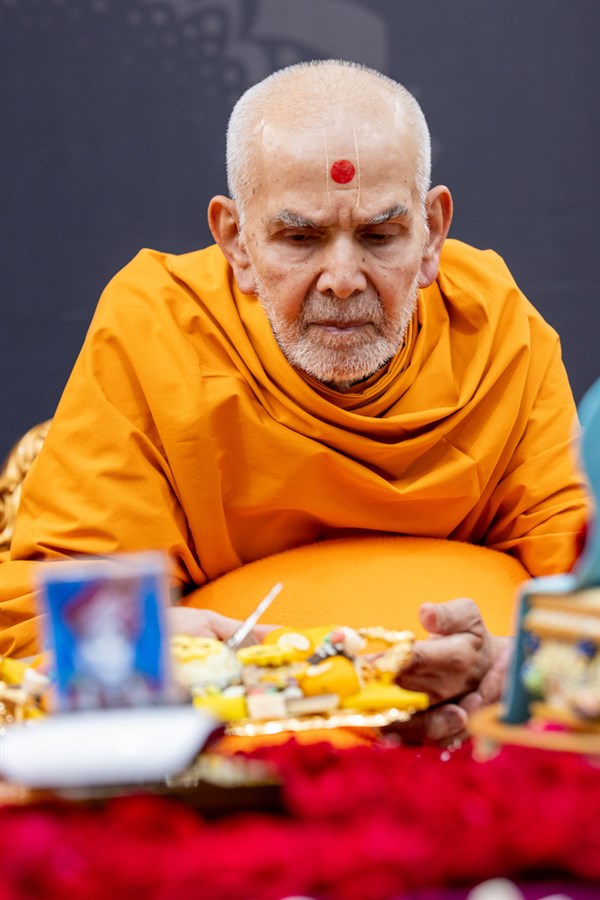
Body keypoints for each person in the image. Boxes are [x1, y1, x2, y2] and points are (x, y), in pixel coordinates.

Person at [0, 60, 588, 744]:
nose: (342, 280)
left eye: (379, 236)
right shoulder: (156, 331)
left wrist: (518, 668)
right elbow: (49, 628)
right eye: (299, 239)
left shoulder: (496, 328)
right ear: (236, 241)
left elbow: (584, 579)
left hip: (470, 739)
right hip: (238, 746)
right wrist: (156, 648)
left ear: (431, 233)